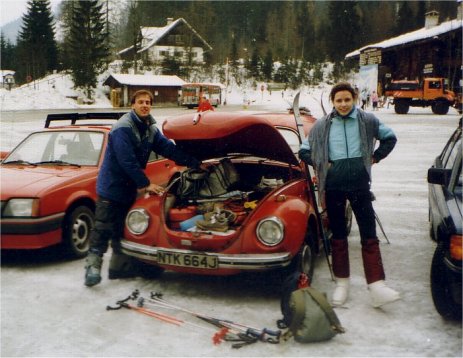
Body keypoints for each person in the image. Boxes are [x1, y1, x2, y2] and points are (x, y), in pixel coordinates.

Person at [85, 90, 204, 287]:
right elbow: (127, 161)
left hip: (128, 189)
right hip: (111, 188)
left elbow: (168, 149)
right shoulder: (123, 128)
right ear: (132, 105)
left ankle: (119, 268)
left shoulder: (150, 129)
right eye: (140, 102)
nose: (145, 105)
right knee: (102, 228)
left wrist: (195, 163)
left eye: (148, 102)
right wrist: (146, 184)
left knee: (122, 229)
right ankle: (92, 268)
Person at [298, 82, 400, 308]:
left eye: (347, 99)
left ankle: (377, 286)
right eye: (338, 100)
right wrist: (324, 164)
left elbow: (390, 138)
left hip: (359, 185)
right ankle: (342, 284)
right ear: (332, 102)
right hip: (333, 187)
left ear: (354, 99)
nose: (343, 104)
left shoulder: (367, 120)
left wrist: (374, 157)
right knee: (338, 236)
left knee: (368, 233)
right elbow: (304, 150)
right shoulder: (322, 125)